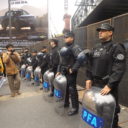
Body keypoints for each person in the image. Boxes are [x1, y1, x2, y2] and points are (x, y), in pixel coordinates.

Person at [85, 23, 126, 128]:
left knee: (110, 111)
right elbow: (90, 64)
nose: (100, 32)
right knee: (98, 108)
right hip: (95, 84)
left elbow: (119, 68)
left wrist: (110, 85)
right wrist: (88, 78)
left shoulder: (116, 47)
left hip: (107, 86)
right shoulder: (96, 48)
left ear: (110, 32)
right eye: (99, 30)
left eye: (103, 30)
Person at [56, 31, 82, 116]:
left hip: (70, 72)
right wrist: (58, 70)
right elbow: (61, 61)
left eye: (67, 37)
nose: (65, 38)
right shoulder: (64, 48)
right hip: (63, 70)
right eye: (65, 37)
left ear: (72, 38)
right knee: (64, 87)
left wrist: (73, 69)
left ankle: (75, 108)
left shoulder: (75, 47)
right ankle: (66, 102)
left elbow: (80, 59)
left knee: (72, 89)